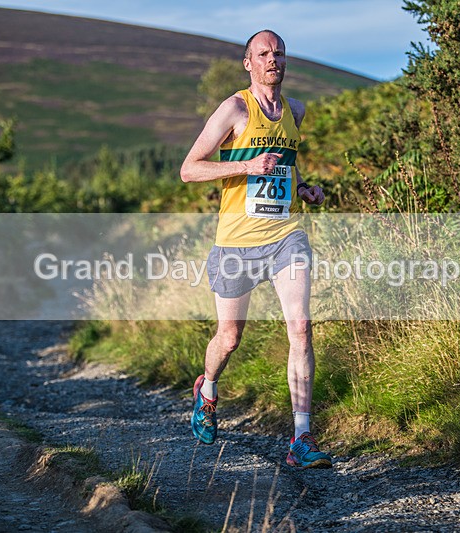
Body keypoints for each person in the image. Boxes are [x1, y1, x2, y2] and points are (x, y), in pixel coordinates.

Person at [180, 29, 331, 469]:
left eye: (279, 54)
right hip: (236, 243)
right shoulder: (234, 108)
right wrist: (246, 165)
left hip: (286, 236)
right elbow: (189, 169)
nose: (272, 60)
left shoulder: (294, 111)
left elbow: (285, 159)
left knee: (301, 327)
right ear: (248, 63)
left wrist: (302, 187)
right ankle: (207, 389)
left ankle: (301, 438)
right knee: (229, 339)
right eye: (263, 54)